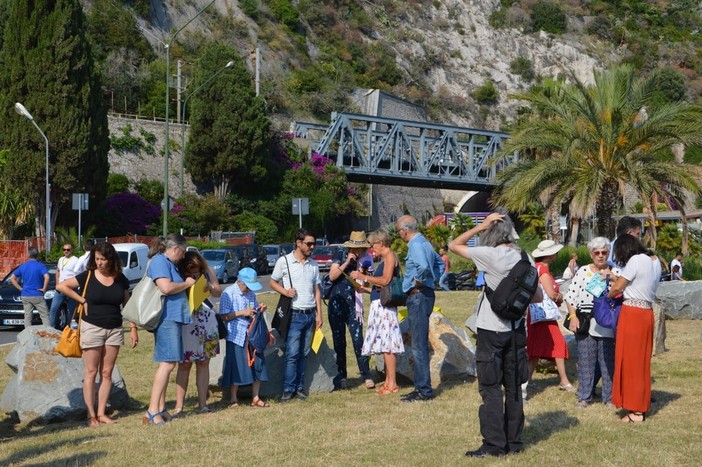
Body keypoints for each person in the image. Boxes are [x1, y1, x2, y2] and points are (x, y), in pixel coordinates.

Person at [449, 208, 541, 458]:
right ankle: (514, 442)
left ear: (492, 232)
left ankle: (493, 445)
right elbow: (539, 295)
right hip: (516, 330)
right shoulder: (525, 257)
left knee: (490, 388)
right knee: (513, 387)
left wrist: (479, 226)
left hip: (491, 330)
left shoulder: (488, 254)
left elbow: (454, 245)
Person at [57, 242, 136, 427]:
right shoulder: (88, 275)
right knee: (91, 372)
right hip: (92, 327)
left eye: (103, 259)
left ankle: (102, 413)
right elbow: (62, 286)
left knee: (107, 373)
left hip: (115, 328)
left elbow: (128, 305)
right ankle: (90, 416)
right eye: (97, 259)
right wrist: (82, 300)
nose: (100, 263)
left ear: (111, 260)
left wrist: (133, 328)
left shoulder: (120, 278)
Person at [608, 234, 661, 423]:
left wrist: (610, 290)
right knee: (641, 360)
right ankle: (639, 403)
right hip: (646, 312)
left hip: (632, 313)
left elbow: (617, 288)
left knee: (630, 360)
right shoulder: (650, 260)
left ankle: (636, 411)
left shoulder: (634, 260)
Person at [143, 235, 196, 426]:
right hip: (166, 319)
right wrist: (187, 284)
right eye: (183, 252)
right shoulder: (159, 261)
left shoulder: (168, 263)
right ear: (175, 249)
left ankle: (160, 408)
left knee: (169, 363)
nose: (183, 257)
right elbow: (165, 287)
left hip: (174, 318)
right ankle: (152, 410)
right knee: (166, 364)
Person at [269, 228, 322, 403]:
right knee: (292, 353)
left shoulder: (313, 265)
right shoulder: (284, 261)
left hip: (309, 314)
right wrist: (285, 291)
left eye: (313, 243)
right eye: (309, 243)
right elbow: (272, 281)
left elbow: (316, 290)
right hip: (294, 314)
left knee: (304, 353)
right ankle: (288, 388)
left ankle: (299, 388)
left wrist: (319, 314)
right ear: (298, 243)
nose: (312, 247)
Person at [350, 229, 404, 395]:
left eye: (373, 245)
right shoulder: (386, 257)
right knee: (384, 345)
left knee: (388, 345)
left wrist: (362, 276)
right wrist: (365, 289)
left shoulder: (389, 256)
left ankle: (392, 383)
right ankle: (388, 381)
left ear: (381, 243)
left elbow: (385, 280)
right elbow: (379, 286)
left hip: (384, 307)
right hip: (379, 303)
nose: (372, 249)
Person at [395, 215, 443, 402]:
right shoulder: (425, 242)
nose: (399, 235)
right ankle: (421, 387)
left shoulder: (415, 244)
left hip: (418, 296)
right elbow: (439, 263)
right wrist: (433, 280)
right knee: (419, 343)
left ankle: (423, 390)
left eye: (399, 231)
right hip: (426, 295)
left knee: (418, 346)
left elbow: (423, 266)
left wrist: (420, 281)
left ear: (405, 230)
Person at [563, 237, 615, 409]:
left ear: (608, 253)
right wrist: (573, 316)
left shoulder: (615, 272)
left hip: (606, 322)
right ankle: (584, 396)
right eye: (596, 253)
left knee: (607, 361)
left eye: (604, 252)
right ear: (591, 254)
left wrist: (612, 278)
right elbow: (570, 296)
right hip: (585, 320)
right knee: (585, 360)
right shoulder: (583, 271)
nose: (600, 256)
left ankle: (609, 398)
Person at [173, 251, 222, 415]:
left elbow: (217, 292)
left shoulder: (207, 270)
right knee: (185, 364)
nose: (194, 275)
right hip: (188, 321)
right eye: (191, 272)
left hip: (207, 321)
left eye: (197, 272)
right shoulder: (178, 274)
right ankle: (179, 406)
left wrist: (210, 287)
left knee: (204, 363)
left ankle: (203, 404)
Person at [327, 231, 374, 390]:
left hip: (355, 305)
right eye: (356, 248)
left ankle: (366, 374)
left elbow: (367, 285)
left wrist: (362, 275)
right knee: (339, 341)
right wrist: (347, 261)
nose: (359, 251)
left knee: (358, 340)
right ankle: (342, 376)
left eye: (361, 248)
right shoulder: (340, 253)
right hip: (337, 303)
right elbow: (332, 276)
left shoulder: (367, 259)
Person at [527, 239, 575, 393]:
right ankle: (564, 381)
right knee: (559, 345)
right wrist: (561, 297)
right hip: (544, 316)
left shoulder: (537, 267)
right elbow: (551, 294)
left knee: (535, 349)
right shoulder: (543, 270)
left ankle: (526, 380)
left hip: (537, 314)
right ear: (549, 255)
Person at [219, 267, 271, 407]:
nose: (249, 289)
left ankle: (255, 397)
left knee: (257, 364)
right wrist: (242, 312)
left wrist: (260, 309)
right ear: (240, 282)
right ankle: (233, 398)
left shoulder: (251, 293)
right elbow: (223, 316)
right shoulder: (228, 293)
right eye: (247, 286)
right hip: (236, 335)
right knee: (235, 366)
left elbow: (252, 312)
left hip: (252, 334)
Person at [9, 247, 50, 328]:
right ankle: (48, 334)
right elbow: (47, 277)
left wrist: (20, 288)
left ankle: (27, 336)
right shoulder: (41, 266)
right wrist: (44, 288)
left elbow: (12, 278)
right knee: (45, 316)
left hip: (26, 294)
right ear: (37, 255)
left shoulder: (23, 266)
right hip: (37, 294)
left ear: (28, 255)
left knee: (27, 317)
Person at [49, 242, 79, 329]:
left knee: (71, 310)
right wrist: (57, 283)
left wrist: (71, 282)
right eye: (64, 249)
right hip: (60, 288)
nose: (66, 251)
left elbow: (78, 274)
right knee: (53, 309)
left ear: (71, 250)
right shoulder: (61, 259)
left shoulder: (75, 260)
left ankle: (70, 329)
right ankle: (52, 328)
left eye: (68, 250)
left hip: (71, 288)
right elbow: (58, 271)